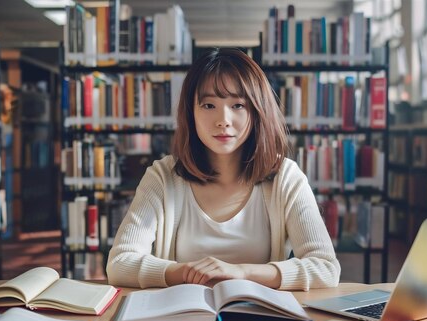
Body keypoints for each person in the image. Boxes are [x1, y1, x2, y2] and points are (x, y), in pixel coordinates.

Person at [106, 48, 340, 290]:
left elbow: (325, 268)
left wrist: (241, 271)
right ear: (191, 113)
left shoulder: (285, 177)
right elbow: (119, 264)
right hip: (184, 318)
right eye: (208, 105)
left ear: (257, 111)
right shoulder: (162, 177)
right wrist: (187, 272)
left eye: (238, 105)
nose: (223, 120)